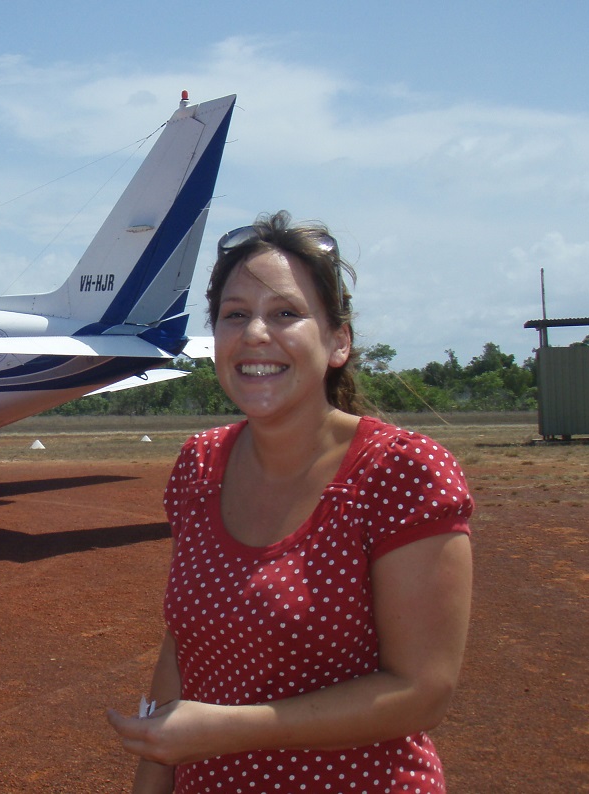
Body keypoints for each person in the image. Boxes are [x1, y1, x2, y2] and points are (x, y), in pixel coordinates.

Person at [106, 211, 474, 793]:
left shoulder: (402, 473)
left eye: (285, 313)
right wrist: (153, 780)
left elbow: (421, 692)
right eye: (235, 315)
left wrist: (229, 732)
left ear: (338, 341)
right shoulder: (199, 466)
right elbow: (182, 646)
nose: (255, 333)